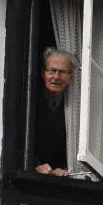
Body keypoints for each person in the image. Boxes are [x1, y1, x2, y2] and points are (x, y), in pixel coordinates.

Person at [34, 48, 74, 176]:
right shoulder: (31, 100)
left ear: (71, 78)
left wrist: (66, 168)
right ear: (43, 74)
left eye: (62, 72)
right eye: (51, 71)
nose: (56, 77)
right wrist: (34, 164)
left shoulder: (75, 108)